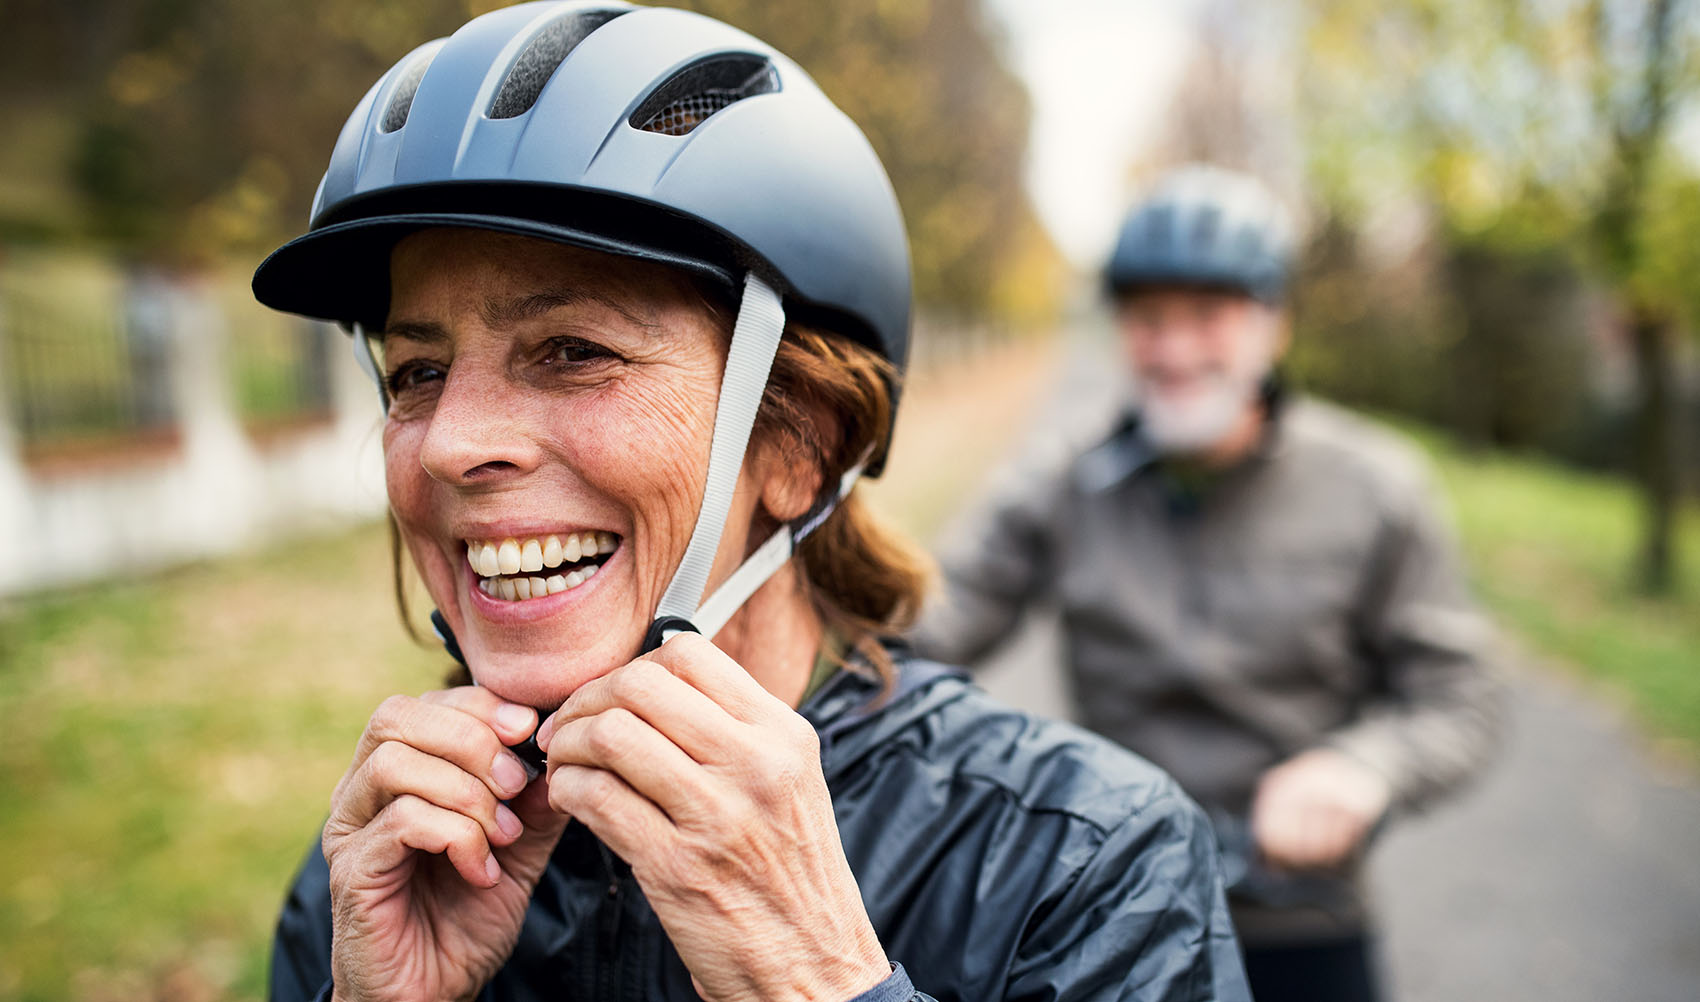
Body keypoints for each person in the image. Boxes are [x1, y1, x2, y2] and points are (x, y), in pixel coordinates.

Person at [251, 6, 1252, 1001]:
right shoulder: (383, 862)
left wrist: (819, 983)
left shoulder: (1088, 870)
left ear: (799, 444)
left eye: (572, 352)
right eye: (417, 372)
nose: (453, 445)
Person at [912, 164, 1504, 1002]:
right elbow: (929, 625)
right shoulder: (1064, 480)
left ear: (1275, 325)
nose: (1176, 348)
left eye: (1208, 315)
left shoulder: (1376, 488)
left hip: (1304, 914)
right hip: (1114, 906)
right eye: (1150, 318)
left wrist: (1362, 768)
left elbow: (1460, 696)